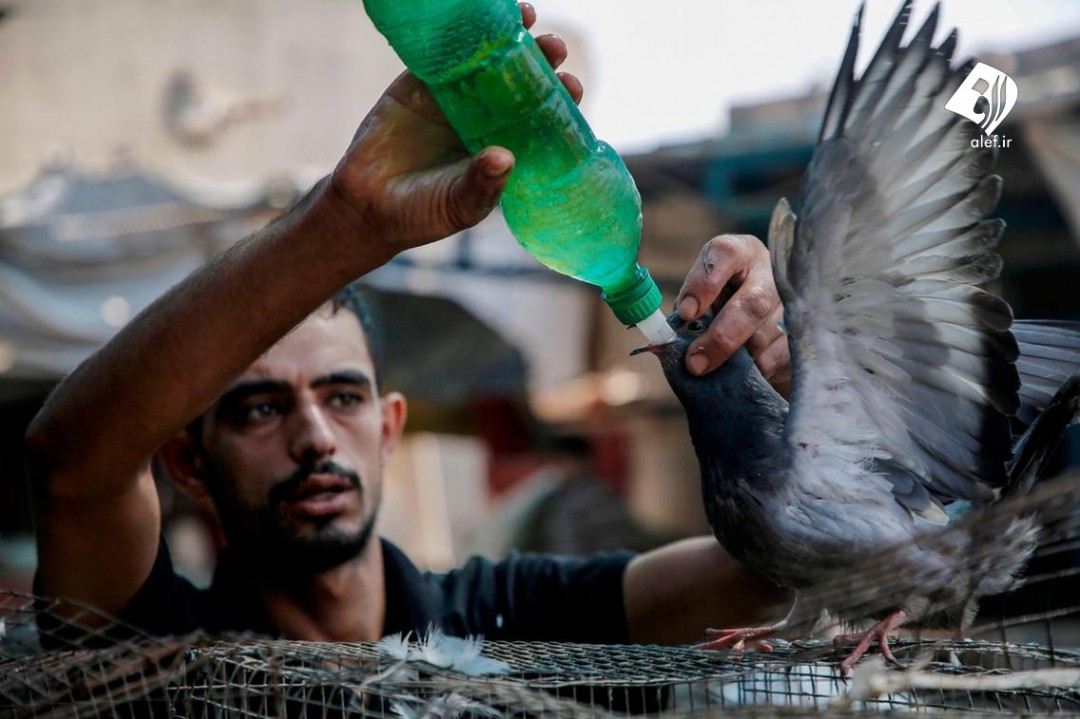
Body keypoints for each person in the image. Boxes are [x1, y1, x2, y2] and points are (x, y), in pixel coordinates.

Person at [26, 3, 791, 647]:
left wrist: (789, 406)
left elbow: (772, 575)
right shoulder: (157, 645)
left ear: (390, 425)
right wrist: (345, 224)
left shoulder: (509, 618)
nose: (315, 437)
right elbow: (73, 465)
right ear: (189, 464)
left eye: (344, 396)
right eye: (260, 407)